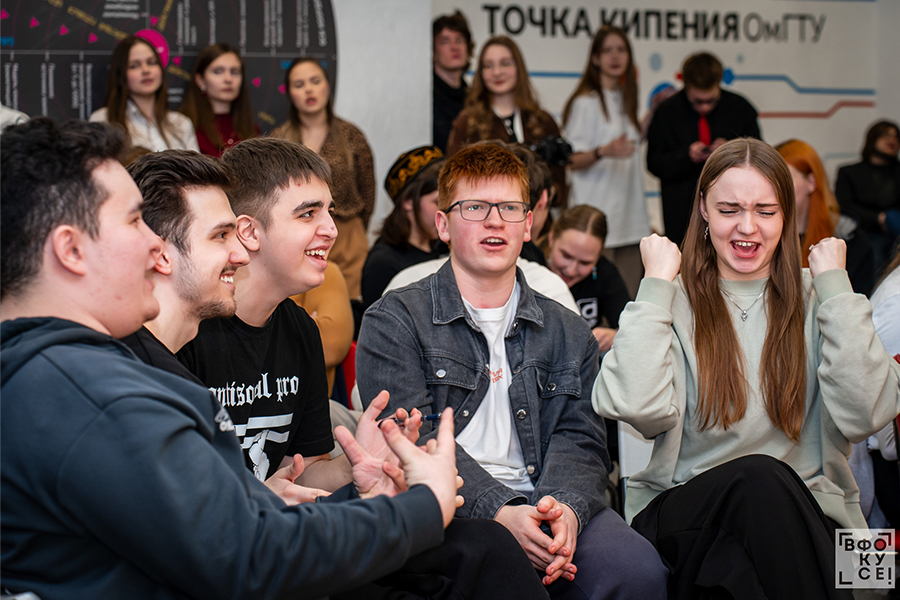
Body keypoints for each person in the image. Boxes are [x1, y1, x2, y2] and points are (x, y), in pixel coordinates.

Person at [0, 117, 464, 599]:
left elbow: (215, 537)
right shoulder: (95, 394)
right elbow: (249, 557)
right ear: (71, 250)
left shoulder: (53, 374)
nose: (154, 244)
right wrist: (422, 507)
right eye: (134, 222)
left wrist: (345, 490)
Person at [592, 138, 900, 599]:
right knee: (759, 477)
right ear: (703, 209)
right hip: (684, 513)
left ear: (786, 214)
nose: (748, 227)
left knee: (745, 567)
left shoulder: (821, 296)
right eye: (729, 209)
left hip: (811, 516)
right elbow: (637, 409)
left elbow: (868, 415)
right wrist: (654, 283)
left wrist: (837, 288)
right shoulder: (671, 299)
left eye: (766, 210)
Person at [357, 144, 668, 599]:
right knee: (505, 571)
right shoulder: (394, 320)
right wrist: (502, 512)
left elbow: (582, 439)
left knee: (638, 570)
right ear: (442, 224)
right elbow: (411, 438)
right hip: (447, 505)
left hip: (550, 496)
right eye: (474, 207)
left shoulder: (568, 330)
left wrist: (562, 511)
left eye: (509, 208)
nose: (495, 221)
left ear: (528, 224)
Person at [272, 58, 374, 300]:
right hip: (297, 236)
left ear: (328, 86)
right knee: (297, 306)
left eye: (315, 81)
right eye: (299, 85)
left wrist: (356, 230)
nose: (309, 89)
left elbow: (368, 189)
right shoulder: (278, 140)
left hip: (347, 235)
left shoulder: (351, 135)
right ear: (290, 94)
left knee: (348, 306)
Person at [563, 25, 650, 297]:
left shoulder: (626, 98)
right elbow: (570, 159)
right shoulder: (585, 103)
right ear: (595, 58)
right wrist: (602, 151)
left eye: (621, 50)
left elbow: (631, 142)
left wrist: (654, 110)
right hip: (598, 217)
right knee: (597, 303)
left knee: (628, 301)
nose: (615, 56)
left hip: (631, 218)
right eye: (607, 50)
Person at [646, 52, 760, 247]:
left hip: (733, 211)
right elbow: (654, 163)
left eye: (712, 100)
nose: (705, 107)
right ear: (685, 86)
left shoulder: (740, 109)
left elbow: (759, 159)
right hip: (682, 214)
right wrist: (686, 156)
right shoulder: (667, 112)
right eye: (697, 101)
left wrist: (732, 152)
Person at [447, 36, 567, 207]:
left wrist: (545, 193)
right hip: (486, 217)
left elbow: (560, 183)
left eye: (505, 63)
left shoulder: (543, 121)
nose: (497, 72)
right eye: (488, 65)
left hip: (538, 218)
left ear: (519, 68)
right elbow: (452, 182)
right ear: (481, 73)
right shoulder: (467, 122)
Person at [776, 139, 874, 295]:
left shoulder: (849, 239)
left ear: (811, 182)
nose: (776, 188)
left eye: (785, 179)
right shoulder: (762, 234)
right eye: (771, 180)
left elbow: (853, 302)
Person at [361, 145, 445, 312]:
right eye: (437, 202)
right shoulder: (383, 265)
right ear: (408, 202)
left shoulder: (444, 248)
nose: (445, 211)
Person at [546, 205, 630, 355]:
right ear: (551, 238)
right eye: (566, 256)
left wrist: (615, 336)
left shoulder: (604, 273)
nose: (571, 270)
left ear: (598, 258)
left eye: (585, 263)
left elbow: (631, 327)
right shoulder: (530, 266)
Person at [90, 35, 198, 152]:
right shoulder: (103, 120)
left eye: (151, 62)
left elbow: (196, 164)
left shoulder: (181, 123)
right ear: (121, 74)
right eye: (134, 66)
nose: (146, 70)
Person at [835, 120, 900, 277]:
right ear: (873, 139)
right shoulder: (850, 172)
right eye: (886, 135)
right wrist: (878, 218)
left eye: (896, 137)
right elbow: (844, 206)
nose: (892, 140)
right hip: (865, 233)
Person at [180, 43, 259, 157]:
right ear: (200, 81)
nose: (228, 79)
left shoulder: (252, 130)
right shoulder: (185, 127)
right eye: (218, 71)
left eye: (234, 72)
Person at [433, 10, 474, 153]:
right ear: (432, 51)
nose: (454, 47)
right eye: (445, 41)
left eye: (459, 40)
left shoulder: (474, 98)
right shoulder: (426, 97)